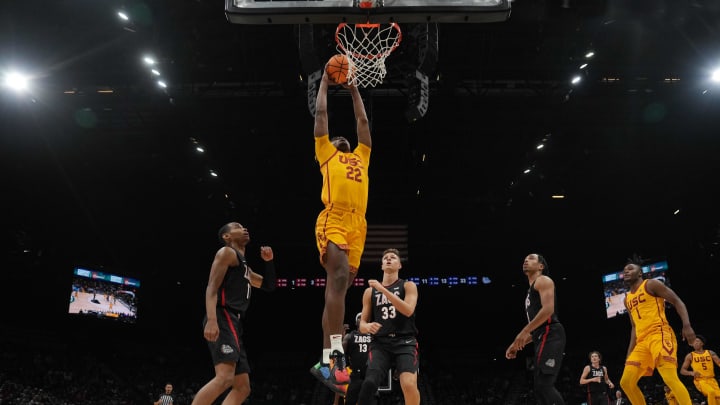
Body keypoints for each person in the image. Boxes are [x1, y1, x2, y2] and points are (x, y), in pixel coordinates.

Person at [309, 66, 372, 395]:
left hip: (358, 224)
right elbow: (321, 113)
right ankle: (334, 361)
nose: (340, 138)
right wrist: (324, 82)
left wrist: (353, 89)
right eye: (336, 138)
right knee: (335, 282)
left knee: (339, 291)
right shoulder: (326, 153)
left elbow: (362, 123)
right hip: (334, 218)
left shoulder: (362, 154)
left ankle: (325, 361)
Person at [191, 222, 276, 405]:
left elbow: (269, 285)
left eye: (245, 226)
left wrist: (268, 262)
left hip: (235, 324)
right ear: (226, 237)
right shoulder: (227, 253)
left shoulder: (245, 267)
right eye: (237, 226)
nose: (244, 228)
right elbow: (211, 289)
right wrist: (212, 320)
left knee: (243, 387)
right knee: (224, 378)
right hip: (223, 316)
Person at [618, 256, 696, 405]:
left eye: (630, 269)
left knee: (669, 377)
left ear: (640, 273)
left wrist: (687, 325)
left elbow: (677, 301)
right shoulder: (626, 299)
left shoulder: (651, 284)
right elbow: (634, 326)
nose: (626, 272)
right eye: (624, 270)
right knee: (626, 382)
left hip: (659, 334)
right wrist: (629, 352)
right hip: (641, 342)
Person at [357, 248, 420, 405]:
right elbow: (362, 325)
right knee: (369, 383)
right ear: (382, 266)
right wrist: (367, 326)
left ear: (400, 265)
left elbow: (408, 310)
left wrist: (382, 290)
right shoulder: (369, 292)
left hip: (405, 342)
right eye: (385, 258)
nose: (389, 259)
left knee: (408, 384)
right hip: (380, 343)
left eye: (393, 257)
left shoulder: (408, 285)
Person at [505, 253, 566, 405]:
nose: (526, 260)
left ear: (541, 266)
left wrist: (523, 332)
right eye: (525, 258)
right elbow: (536, 329)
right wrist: (516, 344)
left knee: (544, 386)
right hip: (543, 335)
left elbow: (548, 311)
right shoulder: (529, 292)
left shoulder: (543, 280)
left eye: (531, 258)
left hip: (551, 333)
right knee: (540, 389)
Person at [343, 312, 375, 405]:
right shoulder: (349, 336)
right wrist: (340, 337)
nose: (362, 319)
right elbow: (340, 353)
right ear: (355, 322)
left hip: (370, 375)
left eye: (364, 317)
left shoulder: (375, 336)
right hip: (355, 376)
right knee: (349, 402)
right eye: (359, 317)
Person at [680, 335, 720, 405]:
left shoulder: (710, 353)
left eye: (697, 341)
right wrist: (691, 373)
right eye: (694, 342)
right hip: (701, 380)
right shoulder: (690, 355)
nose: (695, 343)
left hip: (712, 379)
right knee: (711, 392)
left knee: (718, 396)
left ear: (702, 343)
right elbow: (682, 371)